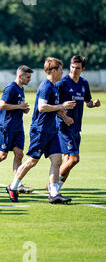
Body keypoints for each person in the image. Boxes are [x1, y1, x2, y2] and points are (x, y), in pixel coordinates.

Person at [6, 57, 76, 204]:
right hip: (40, 131)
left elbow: (53, 108)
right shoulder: (46, 86)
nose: (63, 71)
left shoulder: (55, 86)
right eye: (60, 69)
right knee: (32, 162)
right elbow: (42, 107)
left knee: (57, 160)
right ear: (53, 70)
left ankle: (54, 193)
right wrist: (63, 106)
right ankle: (13, 187)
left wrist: (64, 117)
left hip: (51, 131)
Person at [0, 65, 33, 193]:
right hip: (7, 127)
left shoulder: (21, 89)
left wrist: (23, 109)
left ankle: (17, 184)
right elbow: (2, 106)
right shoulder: (11, 88)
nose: (29, 79)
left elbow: (17, 106)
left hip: (18, 127)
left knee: (19, 155)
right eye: (28, 77)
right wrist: (19, 106)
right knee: (2, 155)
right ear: (20, 76)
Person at [55, 55, 101, 193]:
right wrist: (64, 117)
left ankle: (57, 189)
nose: (74, 70)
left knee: (68, 160)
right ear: (70, 66)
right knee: (75, 159)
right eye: (72, 67)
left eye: (78, 68)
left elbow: (87, 102)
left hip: (76, 127)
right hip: (64, 127)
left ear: (83, 69)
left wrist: (94, 104)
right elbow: (53, 106)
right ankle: (52, 186)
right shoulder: (62, 83)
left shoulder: (84, 83)